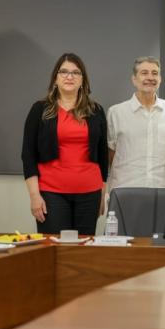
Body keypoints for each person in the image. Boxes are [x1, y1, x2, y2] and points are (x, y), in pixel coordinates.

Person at [21, 52, 108, 235]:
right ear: (55, 78)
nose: (69, 76)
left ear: (83, 79)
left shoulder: (96, 110)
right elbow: (28, 155)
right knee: (54, 252)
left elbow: (102, 156)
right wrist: (34, 195)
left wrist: (102, 195)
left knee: (81, 253)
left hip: (89, 193)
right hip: (51, 193)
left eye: (76, 72)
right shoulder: (40, 109)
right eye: (64, 72)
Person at [107, 57, 165, 190]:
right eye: (144, 73)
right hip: (125, 189)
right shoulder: (116, 112)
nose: (150, 77)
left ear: (160, 79)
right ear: (134, 79)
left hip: (164, 188)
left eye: (155, 73)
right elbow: (111, 154)